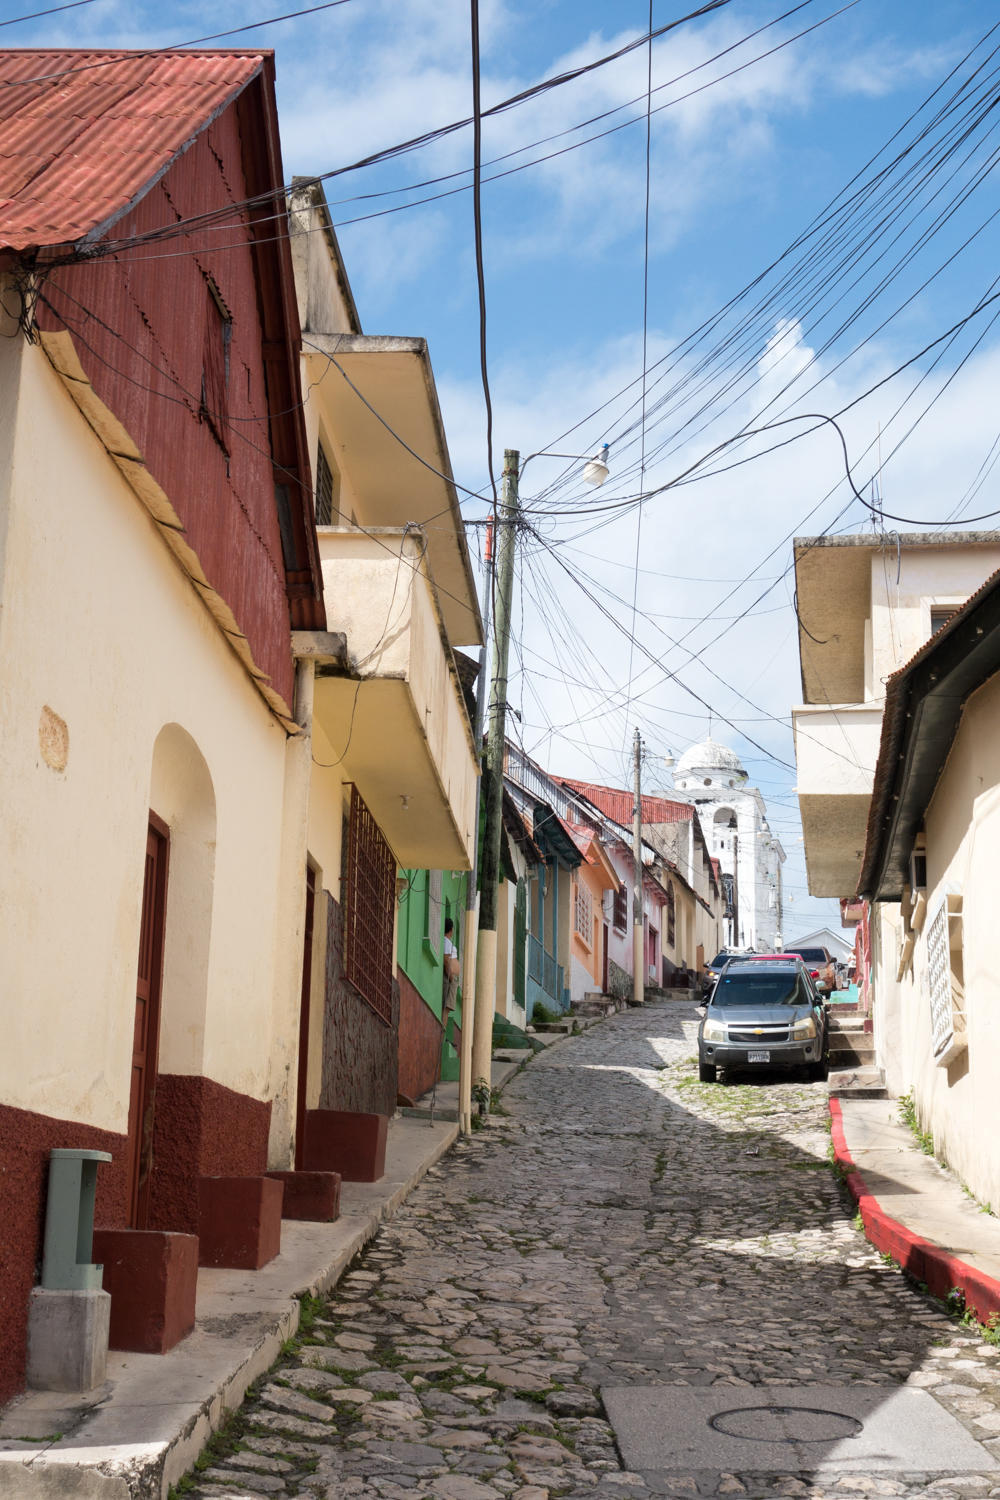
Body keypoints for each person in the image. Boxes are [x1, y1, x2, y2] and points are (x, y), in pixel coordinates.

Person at [443, 917, 460, 1013]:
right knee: (446, 1007)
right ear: (451, 929)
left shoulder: (446, 942)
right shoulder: (447, 942)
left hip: (450, 977)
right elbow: (446, 960)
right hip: (449, 977)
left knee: (447, 1007)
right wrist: (451, 978)